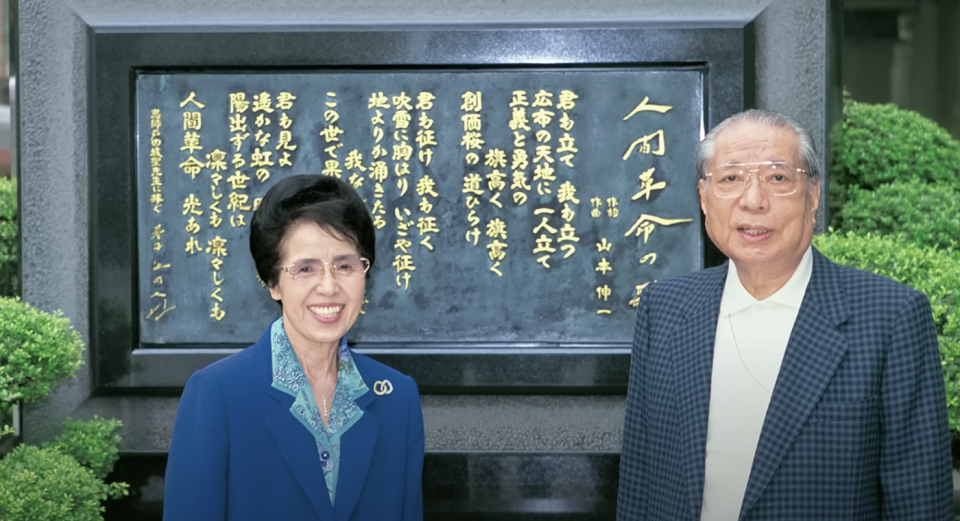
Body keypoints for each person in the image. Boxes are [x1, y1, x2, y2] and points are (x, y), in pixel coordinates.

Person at [616, 109, 953, 520]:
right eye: (730, 178)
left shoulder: (890, 316)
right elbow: (639, 481)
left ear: (812, 195)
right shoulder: (665, 307)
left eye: (777, 177)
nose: (753, 200)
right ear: (704, 198)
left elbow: (919, 503)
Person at [164, 175, 424, 521]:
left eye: (345, 266)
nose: (329, 287)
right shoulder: (218, 395)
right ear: (273, 282)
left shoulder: (397, 398)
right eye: (305, 269)